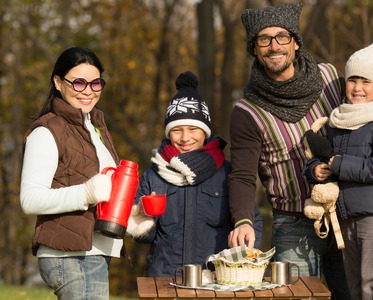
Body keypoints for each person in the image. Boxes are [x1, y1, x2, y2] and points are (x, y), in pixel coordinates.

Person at [227, 2, 373, 299]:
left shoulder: (330, 78)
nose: (274, 46)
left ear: (295, 43)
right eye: (264, 39)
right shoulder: (246, 111)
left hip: (346, 213)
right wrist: (243, 220)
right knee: (296, 296)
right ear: (254, 49)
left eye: (282, 36)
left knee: (356, 292)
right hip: (292, 222)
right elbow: (243, 176)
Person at [126, 71, 263, 277]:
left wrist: (239, 260)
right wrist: (142, 216)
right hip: (165, 280)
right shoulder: (154, 175)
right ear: (168, 132)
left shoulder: (226, 173)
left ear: (205, 131)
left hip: (214, 280)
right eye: (177, 130)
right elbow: (144, 237)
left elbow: (253, 221)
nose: (185, 138)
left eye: (193, 129)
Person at [305, 41, 373, 299]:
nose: (358, 88)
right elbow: (321, 157)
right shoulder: (340, 120)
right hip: (346, 214)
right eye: (352, 80)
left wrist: (338, 164)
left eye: (366, 82)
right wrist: (315, 170)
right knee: (355, 285)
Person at [20, 47, 121, 299]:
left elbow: (103, 193)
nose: (88, 90)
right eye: (78, 82)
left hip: (95, 251)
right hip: (68, 256)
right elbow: (30, 199)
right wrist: (86, 192)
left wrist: (131, 214)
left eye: (95, 83)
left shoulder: (95, 127)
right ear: (57, 82)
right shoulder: (47, 131)